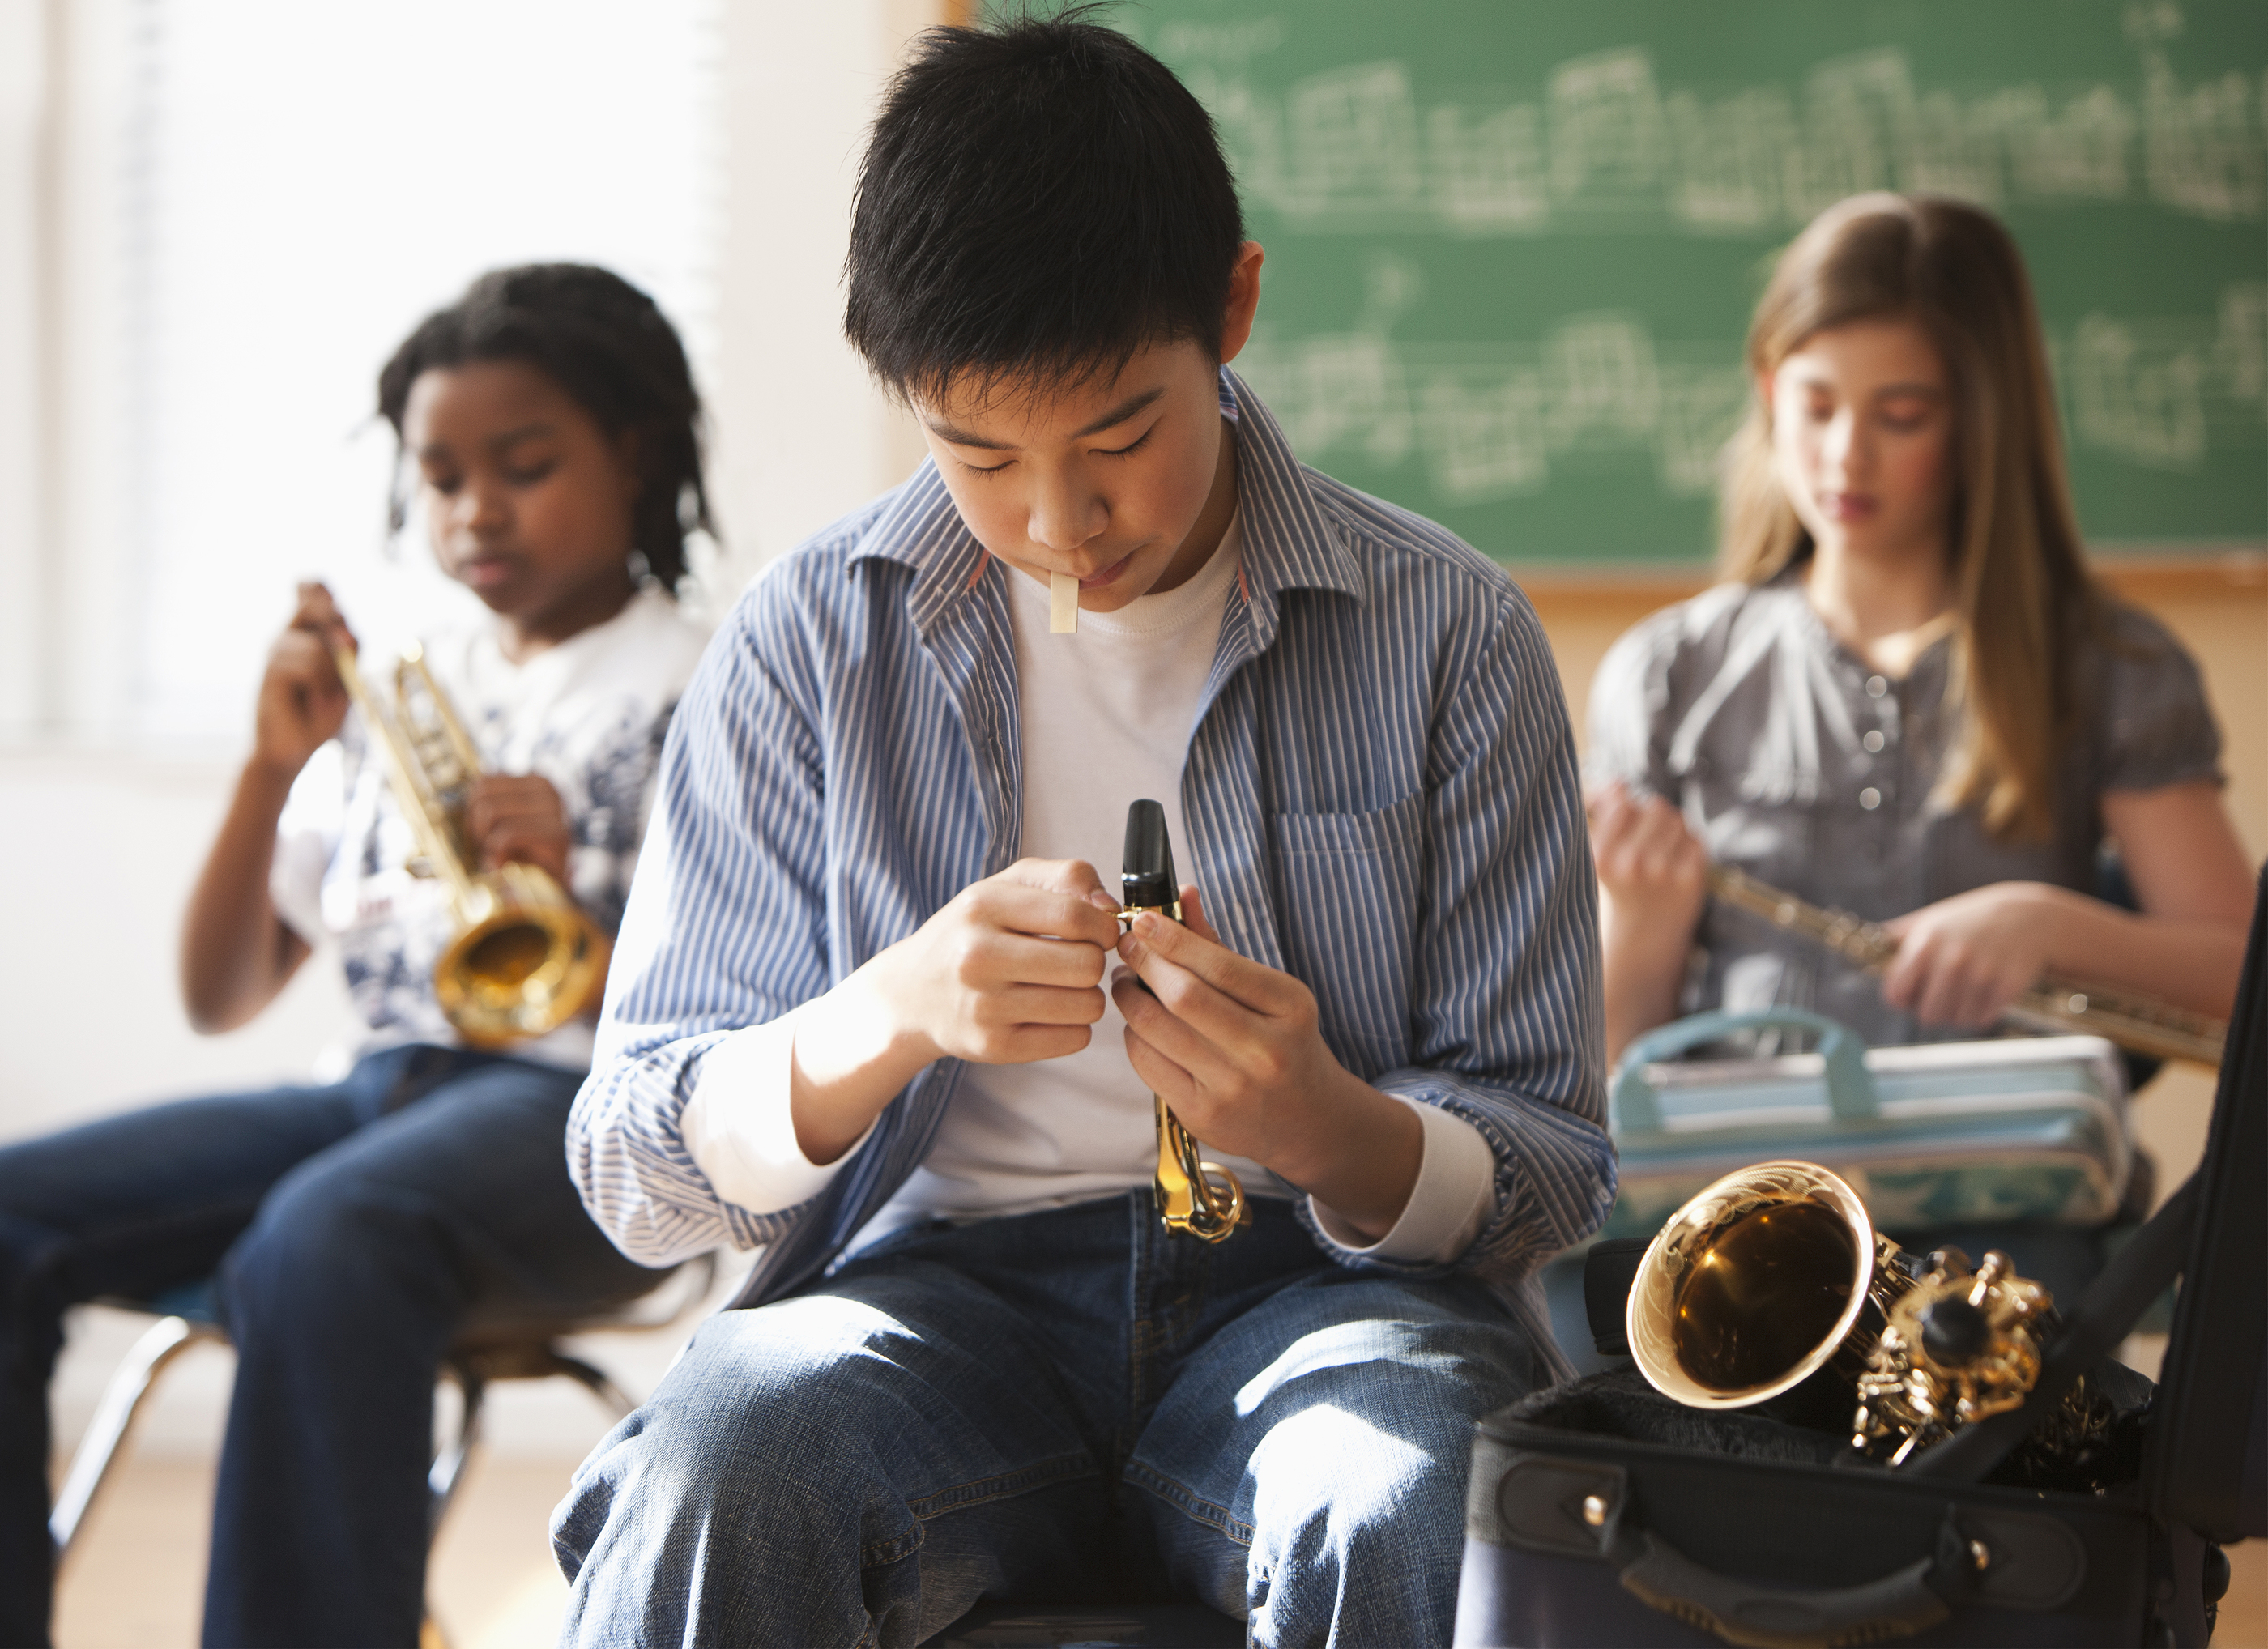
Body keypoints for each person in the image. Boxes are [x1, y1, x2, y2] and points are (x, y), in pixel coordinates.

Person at [553, 16, 1609, 1647]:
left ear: (1232, 311)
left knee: (1412, 1499)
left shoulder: (1445, 629)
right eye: (975, 453)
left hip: (1329, 1300)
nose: (1059, 522)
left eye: (1118, 435)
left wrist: (1330, 1124)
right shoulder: (807, 639)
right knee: (724, 1457)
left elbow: (1549, 1167)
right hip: (927, 1303)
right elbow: (630, 1161)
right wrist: (883, 1017)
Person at [0, 263, 714, 1648]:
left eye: (523, 465)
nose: (473, 510)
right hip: (379, 1092)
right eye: (440, 476)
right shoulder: (406, 687)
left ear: (635, 452)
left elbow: (753, 1008)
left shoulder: (710, 675)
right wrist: (274, 766)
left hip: (596, 1123)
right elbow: (221, 994)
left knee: (327, 1234)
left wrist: (577, 892)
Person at [1582, 194, 2256, 1289]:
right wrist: (1647, 924)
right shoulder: (1671, 675)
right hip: (1736, 1248)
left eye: (1902, 415)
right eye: (1816, 406)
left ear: (1981, 422)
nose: (1848, 455)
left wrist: (2047, 923)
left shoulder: (2106, 666)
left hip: (2012, 1261)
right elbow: (1602, 1080)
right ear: (1768, 395)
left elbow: (2238, 974)